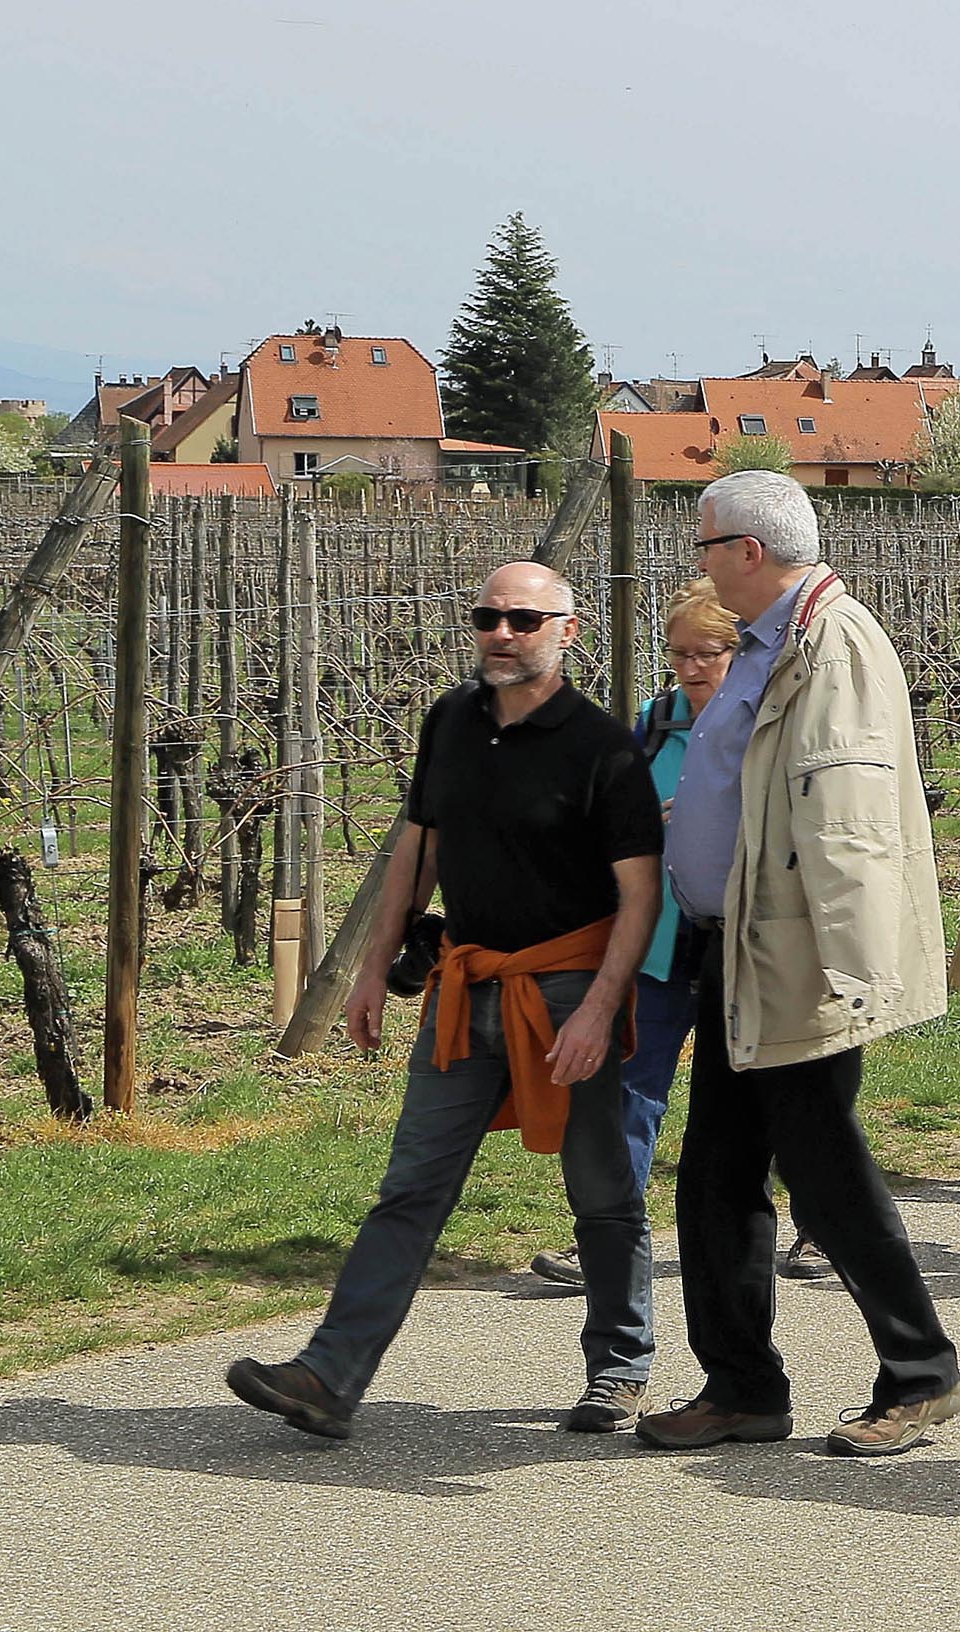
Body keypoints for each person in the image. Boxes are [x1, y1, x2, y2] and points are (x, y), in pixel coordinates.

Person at [226, 562, 662, 1441]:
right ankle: (329, 1376)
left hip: (568, 989)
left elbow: (640, 896)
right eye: (487, 617)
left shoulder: (603, 750)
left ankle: (620, 1365)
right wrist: (370, 970)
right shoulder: (450, 722)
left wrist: (598, 1008)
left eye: (524, 621)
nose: (502, 634)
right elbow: (415, 853)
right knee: (412, 1186)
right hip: (465, 989)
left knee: (600, 1187)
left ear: (566, 633)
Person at [639, 470, 960, 1458]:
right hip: (738, 945)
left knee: (823, 1173)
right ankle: (742, 1386)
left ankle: (920, 1372)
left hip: (796, 952)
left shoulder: (833, 641)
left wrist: (850, 969)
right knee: (718, 1177)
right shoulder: (772, 641)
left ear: (748, 550)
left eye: (704, 546)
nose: (696, 562)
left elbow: (849, 816)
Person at [531, 579, 735, 1290]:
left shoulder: (771, 722)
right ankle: (608, 1241)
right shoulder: (653, 725)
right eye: (678, 653)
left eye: (707, 652)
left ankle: (812, 1227)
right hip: (661, 938)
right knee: (634, 1088)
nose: (689, 668)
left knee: (767, 1089)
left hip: (746, 939)